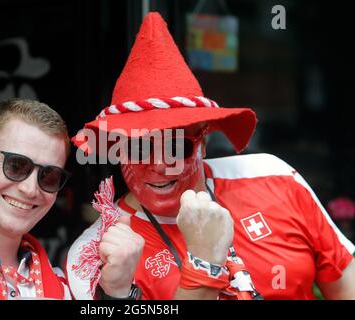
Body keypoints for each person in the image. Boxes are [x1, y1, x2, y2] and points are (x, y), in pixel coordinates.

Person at [66, 12, 355, 300]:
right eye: (138, 149)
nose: (158, 165)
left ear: (204, 139)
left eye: (176, 147)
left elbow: (346, 285)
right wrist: (204, 261)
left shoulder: (273, 178)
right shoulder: (95, 254)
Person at [0, 98, 143, 300]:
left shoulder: (61, 287)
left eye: (48, 176)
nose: (30, 189)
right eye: (16, 165)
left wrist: (117, 291)